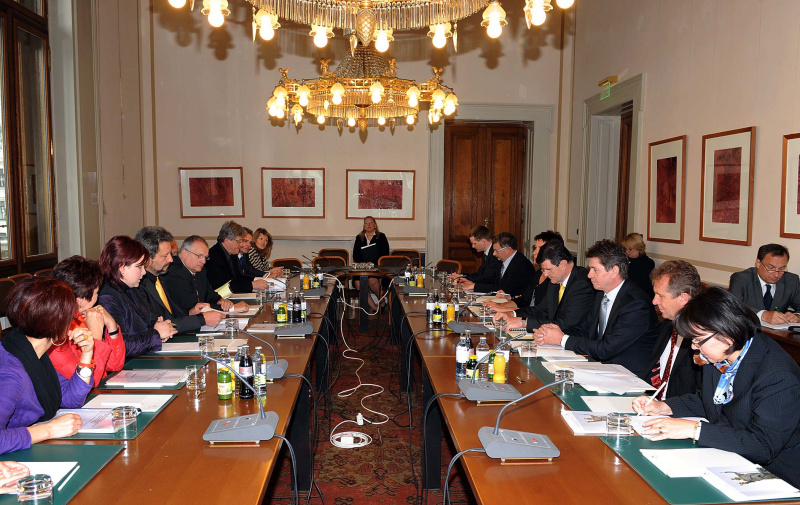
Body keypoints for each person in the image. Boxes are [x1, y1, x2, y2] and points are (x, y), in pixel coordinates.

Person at [633, 288, 800, 487]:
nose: (694, 347)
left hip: (777, 476)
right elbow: (710, 400)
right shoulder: (721, 354)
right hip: (729, 455)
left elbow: (763, 446)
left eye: (697, 340)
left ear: (726, 335)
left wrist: (694, 429)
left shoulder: (777, 376)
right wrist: (663, 407)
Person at [535, 239, 659, 379]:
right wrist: (551, 333)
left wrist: (562, 339)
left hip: (628, 376)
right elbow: (584, 330)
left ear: (614, 271)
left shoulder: (635, 304)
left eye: (595, 270)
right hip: (602, 368)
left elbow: (606, 349)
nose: (589, 275)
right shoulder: (601, 294)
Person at [0, 277, 94, 454]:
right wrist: (48, 430)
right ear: (58, 323)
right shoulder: (11, 373)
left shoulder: (33, 354)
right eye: (71, 317)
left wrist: (87, 354)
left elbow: (71, 399)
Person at [49, 255, 126, 387]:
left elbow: (115, 365)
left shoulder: (79, 317)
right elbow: (90, 381)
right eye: (96, 293)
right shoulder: (55, 335)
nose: (98, 297)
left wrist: (112, 326)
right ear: (79, 300)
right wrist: (96, 334)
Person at [98, 235, 176, 358]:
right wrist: (156, 334)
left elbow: (142, 325)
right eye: (139, 267)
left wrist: (157, 327)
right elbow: (121, 346)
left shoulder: (130, 288)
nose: (144, 272)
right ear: (122, 267)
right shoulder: (107, 297)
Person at [135, 226, 224, 333]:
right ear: (147, 257)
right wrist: (202, 319)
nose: (171, 259)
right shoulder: (137, 286)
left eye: (171, 254)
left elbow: (171, 316)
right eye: (165, 255)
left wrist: (191, 313)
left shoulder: (159, 278)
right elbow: (156, 327)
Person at [496, 241, 595, 333]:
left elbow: (565, 324)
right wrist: (512, 314)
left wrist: (524, 323)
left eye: (548, 269)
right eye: (543, 270)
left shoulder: (581, 284)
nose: (546, 275)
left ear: (563, 264)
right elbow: (540, 311)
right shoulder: (555, 281)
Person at [646, 260, 703, 399]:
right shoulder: (668, 325)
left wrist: (664, 407)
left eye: (661, 295)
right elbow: (652, 371)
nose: (654, 301)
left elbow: (700, 396)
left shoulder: (701, 337)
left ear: (683, 298)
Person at [162, 235, 249, 317]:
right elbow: (194, 306)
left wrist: (221, 301)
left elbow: (209, 294)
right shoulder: (174, 272)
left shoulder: (200, 270)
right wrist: (231, 308)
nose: (203, 261)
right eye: (199, 256)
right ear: (184, 253)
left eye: (205, 257)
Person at [486, 230, 564, 313]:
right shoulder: (538, 273)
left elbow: (540, 312)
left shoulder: (555, 279)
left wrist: (507, 310)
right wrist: (499, 306)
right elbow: (523, 301)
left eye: (540, 248)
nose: (534, 252)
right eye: (535, 248)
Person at [729, 243, 800, 325]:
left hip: (778, 332)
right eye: (771, 268)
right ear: (758, 263)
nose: (776, 274)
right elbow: (733, 307)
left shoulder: (791, 280)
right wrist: (764, 315)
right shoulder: (741, 279)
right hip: (747, 329)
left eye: (782, 268)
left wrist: (797, 316)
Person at [460, 232, 534, 299]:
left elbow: (504, 288)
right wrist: (472, 283)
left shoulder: (521, 265)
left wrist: (474, 286)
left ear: (508, 250)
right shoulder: (502, 260)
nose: (494, 254)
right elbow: (492, 280)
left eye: (496, 250)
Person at [207, 221, 269, 294]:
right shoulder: (214, 256)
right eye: (238, 241)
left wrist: (257, 281)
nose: (240, 245)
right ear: (227, 240)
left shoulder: (231, 254)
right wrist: (252, 285)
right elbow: (224, 286)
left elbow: (239, 277)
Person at [352, 216, 390, 310]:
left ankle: (382, 301)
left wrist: (372, 262)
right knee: (358, 283)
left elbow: (385, 254)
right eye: (366, 223)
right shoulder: (359, 237)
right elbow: (355, 255)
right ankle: (375, 307)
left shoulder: (381, 237)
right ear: (364, 226)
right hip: (362, 267)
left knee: (372, 280)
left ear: (375, 225)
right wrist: (364, 262)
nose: (368, 225)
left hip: (377, 267)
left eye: (371, 223)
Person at [621, 232, 655, 300]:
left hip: (639, 297)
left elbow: (644, 287)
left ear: (638, 248)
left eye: (630, 249)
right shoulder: (624, 260)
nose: (627, 252)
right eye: (625, 249)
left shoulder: (648, 263)